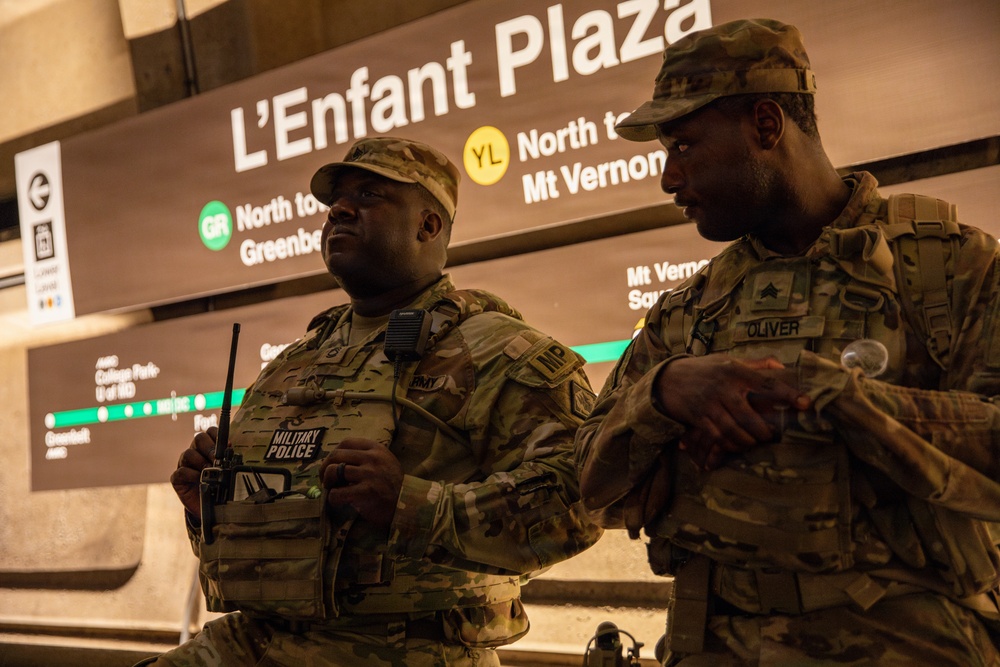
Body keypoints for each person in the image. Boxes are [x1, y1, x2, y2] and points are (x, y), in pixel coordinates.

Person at [575, 18, 1000, 667]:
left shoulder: (947, 269)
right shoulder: (691, 310)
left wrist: (832, 398)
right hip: (715, 642)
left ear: (767, 126)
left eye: (685, 146)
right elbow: (584, 480)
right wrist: (664, 393)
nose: (668, 178)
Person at [156, 137, 603, 666]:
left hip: (405, 650)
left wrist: (410, 505)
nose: (339, 210)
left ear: (427, 225)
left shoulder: (500, 353)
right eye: (335, 202)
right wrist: (207, 509)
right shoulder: (293, 364)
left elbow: (582, 502)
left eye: (369, 195)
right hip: (252, 644)